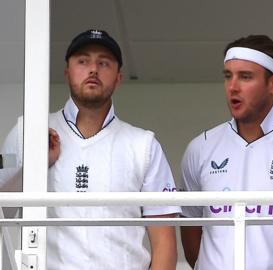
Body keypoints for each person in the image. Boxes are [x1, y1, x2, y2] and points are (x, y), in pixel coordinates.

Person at [0, 29, 180, 270]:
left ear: (118, 78)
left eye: (104, 63)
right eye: (83, 61)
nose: (93, 69)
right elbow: (3, 207)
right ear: (67, 72)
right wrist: (33, 166)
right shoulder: (29, 130)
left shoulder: (144, 145)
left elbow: (164, 243)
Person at [180, 35, 273, 270]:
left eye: (245, 77)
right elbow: (191, 229)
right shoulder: (200, 148)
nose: (233, 87)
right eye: (228, 76)